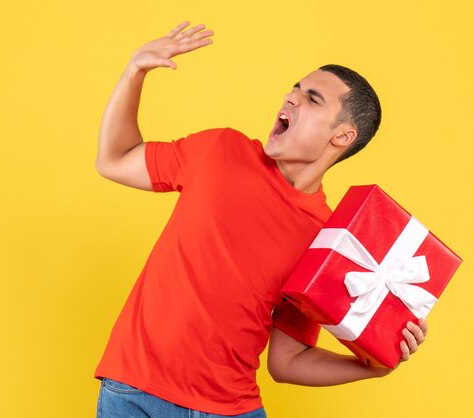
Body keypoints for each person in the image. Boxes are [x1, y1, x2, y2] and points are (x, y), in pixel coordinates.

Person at [93, 21, 428, 418]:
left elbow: (286, 363)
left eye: (313, 98)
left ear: (342, 137)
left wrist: (371, 367)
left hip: (229, 409)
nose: (290, 97)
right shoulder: (221, 150)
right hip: (131, 393)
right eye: (295, 88)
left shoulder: (327, 241)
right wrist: (135, 71)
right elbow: (114, 160)